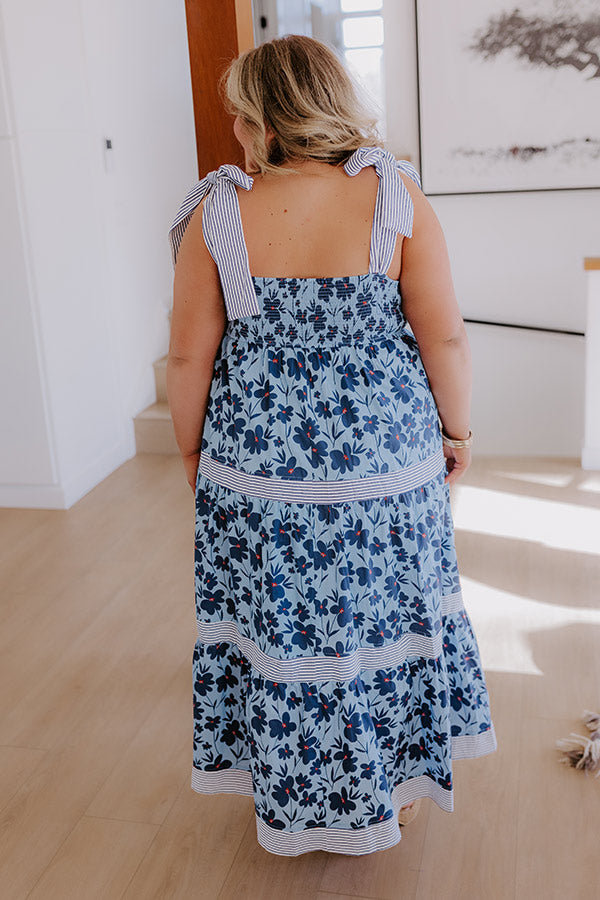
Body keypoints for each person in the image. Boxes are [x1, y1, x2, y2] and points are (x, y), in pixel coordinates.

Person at [167, 34, 497, 856]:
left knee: (283, 634)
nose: (238, 134)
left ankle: (289, 790)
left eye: (242, 118)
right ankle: (391, 785)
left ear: (265, 120)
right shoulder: (395, 196)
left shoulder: (217, 210)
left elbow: (187, 357)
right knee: (385, 617)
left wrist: (191, 457)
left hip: (258, 473)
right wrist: (457, 432)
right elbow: (444, 339)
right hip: (386, 468)